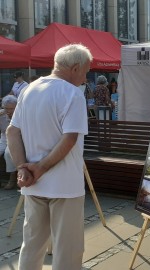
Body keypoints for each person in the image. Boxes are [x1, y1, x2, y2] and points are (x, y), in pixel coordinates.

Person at [7, 43, 93, 270]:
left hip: (33, 184)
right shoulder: (73, 94)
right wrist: (40, 168)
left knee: (32, 246)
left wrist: (22, 168)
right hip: (64, 185)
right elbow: (70, 139)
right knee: (68, 251)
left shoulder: (28, 90)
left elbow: (12, 131)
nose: (85, 77)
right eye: (85, 71)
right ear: (75, 68)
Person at [0, 95, 18, 189]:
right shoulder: (2, 115)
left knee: (8, 153)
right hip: (4, 137)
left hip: (17, 138)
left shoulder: (20, 114)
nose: (9, 111)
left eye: (12, 109)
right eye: (6, 108)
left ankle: (12, 179)